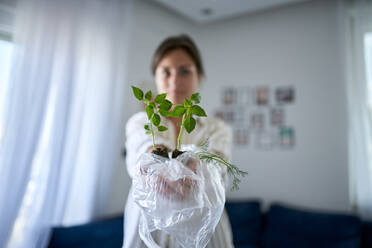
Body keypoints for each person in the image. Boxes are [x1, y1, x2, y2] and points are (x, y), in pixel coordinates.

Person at [123, 34, 234, 248]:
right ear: (155, 77)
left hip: (206, 233)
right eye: (166, 72)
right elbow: (141, 150)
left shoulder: (217, 128)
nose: (175, 81)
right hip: (149, 233)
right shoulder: (142, 121)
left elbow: (218, 166)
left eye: (185, 71)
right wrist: (157, 157)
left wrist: (197, 169)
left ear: (199, 76)